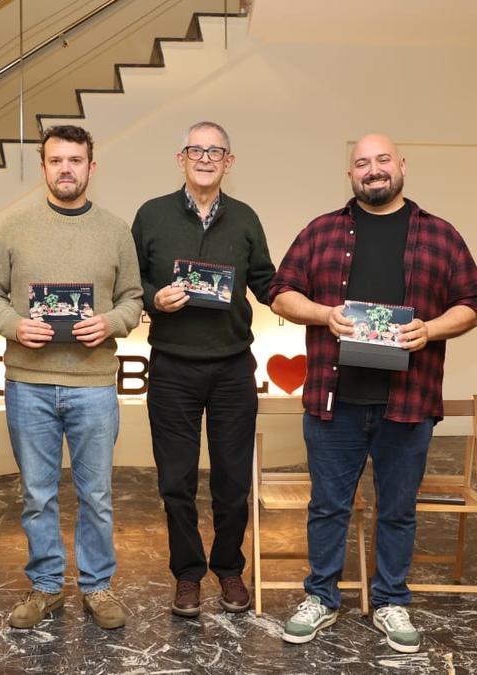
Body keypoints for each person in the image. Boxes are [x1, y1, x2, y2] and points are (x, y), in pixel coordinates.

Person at [268, 134, 477, 650]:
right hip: (334, 399)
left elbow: (473, 303)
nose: (373, 170)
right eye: (362, 163)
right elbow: (280, 292)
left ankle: (391, 601)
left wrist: (430, 330)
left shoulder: (440, 234)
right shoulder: (320, 231)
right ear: (350, 174)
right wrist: (325, 315)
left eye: (382, 160)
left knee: (398, 509)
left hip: (408, 403)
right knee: (327, 506)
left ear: (402, 166)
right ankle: (321, 596)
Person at [0, 125, 143, 630]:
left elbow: (133, 300)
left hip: (93, 385)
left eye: (75, 160)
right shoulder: (13, 228)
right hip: (28, 383)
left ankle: (97, 587)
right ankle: (47, 587)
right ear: (44, 168)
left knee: (96, 495)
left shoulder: (116, 231)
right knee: (37, 493)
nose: (66, 168)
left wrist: (110, 323)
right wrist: (14, 325)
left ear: (91, 167)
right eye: (56, 161)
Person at [130, 121, 274, 616]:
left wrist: (312, 300)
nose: (206, 157)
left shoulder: (246, 218)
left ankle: (229, 569)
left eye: (217, 151)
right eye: (197, 149)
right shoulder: (151, 216)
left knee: (233, 481)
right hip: (172, 367)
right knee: (176, 481)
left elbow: (266, 281)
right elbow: (131, 284)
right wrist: (154, 298)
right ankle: (188, 575)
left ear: (229, 162)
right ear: (181, 157)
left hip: (234, 367)